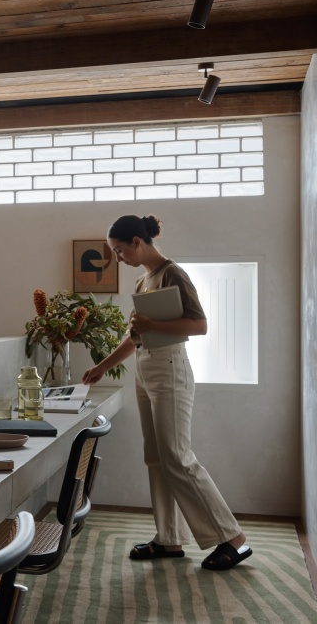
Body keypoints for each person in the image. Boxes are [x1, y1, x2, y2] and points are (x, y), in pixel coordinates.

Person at [82, 214, 252, 571]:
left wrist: (152, 325)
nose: (118, 258)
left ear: (136, 242)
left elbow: (199, 324)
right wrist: (101, 366)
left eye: (119, 250)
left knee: (177, 456)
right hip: (146, 370)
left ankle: (233, 538)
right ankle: (168, 538)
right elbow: (136, 336)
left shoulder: (172, 273)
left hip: (170, 368)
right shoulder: (145, 280)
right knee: (156, 458)